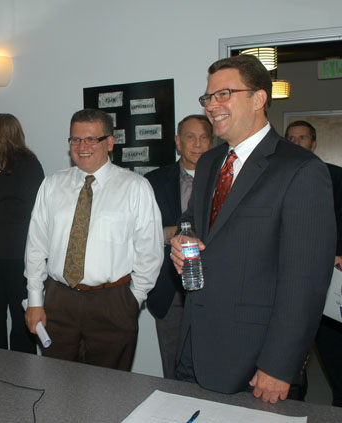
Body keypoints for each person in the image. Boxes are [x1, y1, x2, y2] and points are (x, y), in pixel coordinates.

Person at [170, 54, 335, 404]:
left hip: (255, 356)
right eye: (208, 97)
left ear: (259, 99)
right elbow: (195, 223)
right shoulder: (213, 161)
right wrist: (182, 240)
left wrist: (279, 365)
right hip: (194, 342)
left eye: (223, 94)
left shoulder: (301, 170)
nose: (212, 106)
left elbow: (305, 283)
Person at [24, 108, 163, 370]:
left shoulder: (135, 187)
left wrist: (133, 299)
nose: (82, 146)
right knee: (55, 383)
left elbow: (150, 251)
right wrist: (34, 300)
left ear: (109, 142)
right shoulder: (52, 184)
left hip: (112, 303)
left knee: (108, 391)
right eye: (75, 139)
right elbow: (35, 245)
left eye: (91, 139)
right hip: (58, 301)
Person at [145, 114, 213, 379]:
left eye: (204, 137)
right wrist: (170, 233)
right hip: (170, 289)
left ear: (212, 141)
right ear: (178, 142)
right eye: (190, 137)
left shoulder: (227, 180)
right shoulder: (152, 181)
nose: (197, 144)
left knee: (214, 364)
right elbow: (140, 232)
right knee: (173, 369)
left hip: (215, 286)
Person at [0, 113, 44, 354]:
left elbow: (34, 207)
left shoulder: (28, 164)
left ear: (0, 135)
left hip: (18, 254)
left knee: (20, 316)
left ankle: (24, 371)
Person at [285, 119, 342, 407]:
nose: (297, 144)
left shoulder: (337, 178)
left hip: (332, 284)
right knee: (292, 363)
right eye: (291, 139)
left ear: (314, 143)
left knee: (336, 359)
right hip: (291, 286)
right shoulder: (276, 180)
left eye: (303, 138)